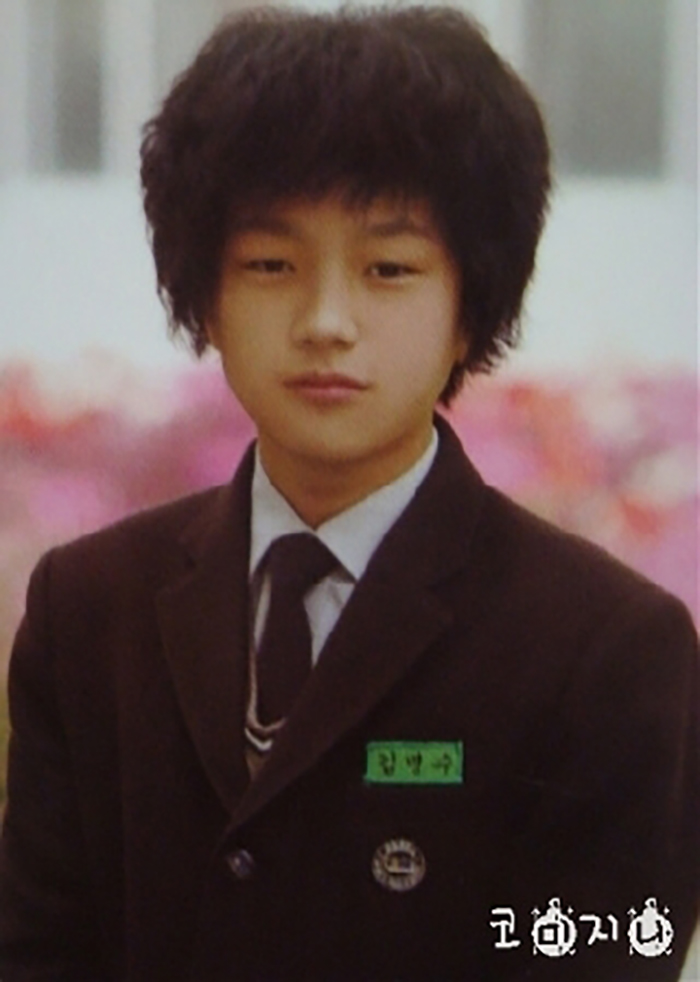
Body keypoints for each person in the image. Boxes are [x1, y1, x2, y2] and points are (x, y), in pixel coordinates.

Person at [1, 5, 697, 980]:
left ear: (471, 306)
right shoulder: (87, 608)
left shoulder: (611, 649)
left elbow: (610, 948)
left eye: (389, 268)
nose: (326, 321)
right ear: (206, 295)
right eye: (271, 264)